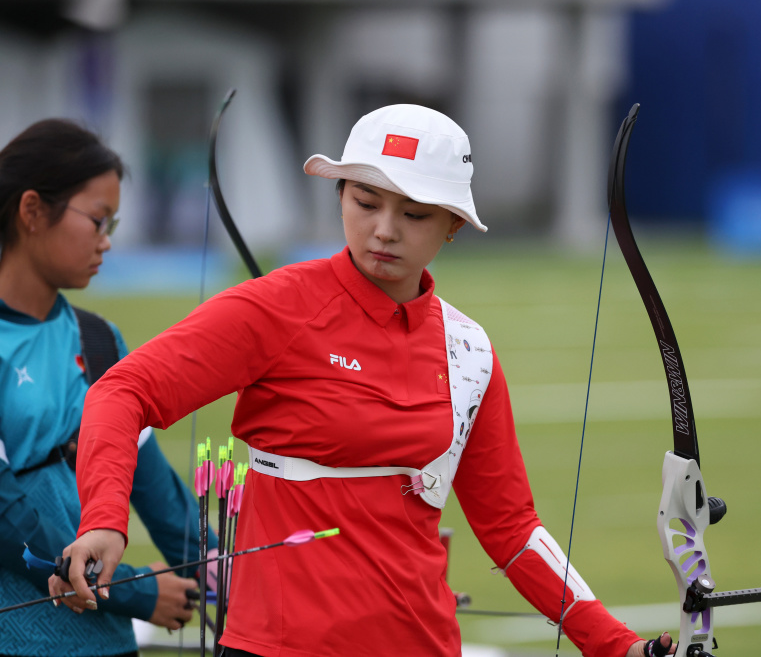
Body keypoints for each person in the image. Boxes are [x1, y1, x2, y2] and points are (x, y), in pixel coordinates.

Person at [55, 105, 675, 657]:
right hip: (277, 646)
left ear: (453, 225)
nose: (385, 229)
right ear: (341, 196)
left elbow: (511, 529)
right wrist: (105, 518)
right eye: (366, 201)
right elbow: (122, 391)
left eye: (415, 213)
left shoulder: (468, 350)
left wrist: (614, 644)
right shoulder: (276, 307)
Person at [0, 119, 218, 657]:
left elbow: (154, 487)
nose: (107, 240)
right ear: (32, 211)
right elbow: (8, 520)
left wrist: (226, 575)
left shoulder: (98, 340)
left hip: (108, 642)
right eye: (98, 220)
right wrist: (136, 591)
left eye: (112, 223)